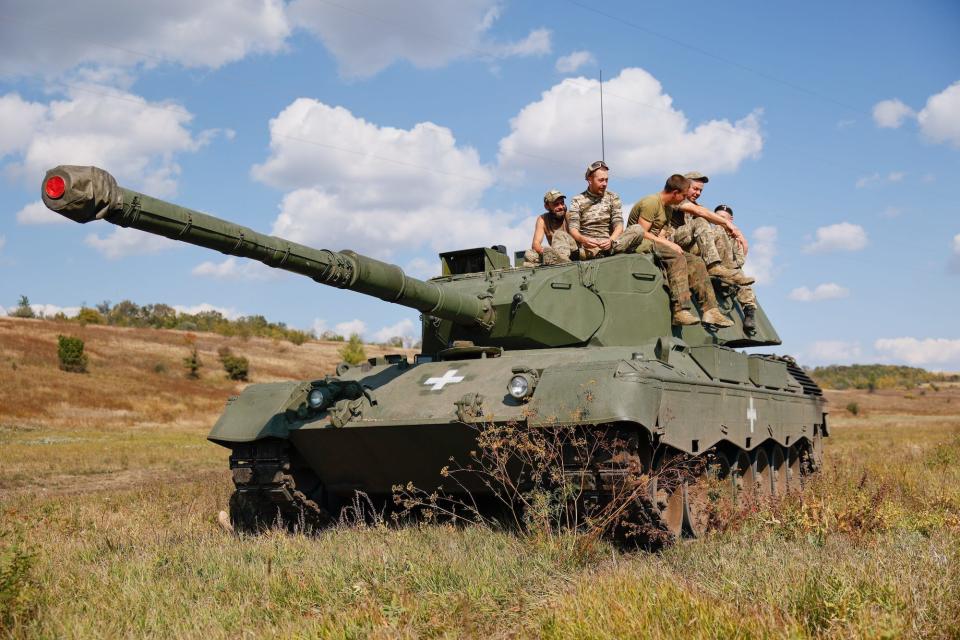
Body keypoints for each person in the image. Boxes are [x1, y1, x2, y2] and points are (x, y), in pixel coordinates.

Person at [627, 175, 733, 327]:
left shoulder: (668, 208)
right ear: (675, 192)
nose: (684, 199)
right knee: (676, 256)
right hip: (638, 244)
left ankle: (711, 311)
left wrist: (667, 242)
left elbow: (661, 234)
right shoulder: (651, 202)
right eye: (683, 196)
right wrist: (668, 245)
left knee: (696, 262)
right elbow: (642, 232)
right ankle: (680, 310)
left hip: (656, 244)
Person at [671, 172, 752, 286]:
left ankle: (731, 273)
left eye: (700, 190)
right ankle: (713, 266)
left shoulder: (697, 205)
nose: (698, 193)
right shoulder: (677, 198)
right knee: (701, 221)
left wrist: (739, 236)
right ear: (685, 186)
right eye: (695, 189)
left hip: (688, 244)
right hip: (671, 241)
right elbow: (700, 212)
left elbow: (710, 218)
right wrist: (727, 224)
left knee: (719, 229)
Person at [567, 160, 644, 259]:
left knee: (638, 229)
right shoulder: (577, 200)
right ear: (590, 180)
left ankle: (606, 252)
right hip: (587, 245)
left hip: (610, 245)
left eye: (606, 180)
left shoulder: (613, 197)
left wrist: (611, 240)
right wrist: (583, 240)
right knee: (560, 236)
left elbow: (618, 224)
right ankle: (585, 254)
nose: (604, 184)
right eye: (601, 180)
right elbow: (573, 228)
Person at [714, 204, 760, 333]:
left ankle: (749, 312)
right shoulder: (712, 231)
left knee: (741, 277)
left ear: (731, 219)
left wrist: (740, 240)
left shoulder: (735, 239)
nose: (720, 220)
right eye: (717, 217)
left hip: (729, 272)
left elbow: (740, 260)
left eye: (723, 217)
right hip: (711, 267)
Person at [523, 190, 578, 266]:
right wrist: (546, 252)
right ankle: (555, 261)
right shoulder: (542, 219)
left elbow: (578, 237)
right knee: (529, 254)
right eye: (556, 204)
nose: (561, 207)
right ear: (547, 206)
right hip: (555, 254)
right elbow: (535, 244)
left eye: (562, 203)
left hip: (574, 252)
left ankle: (562, 262)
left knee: (559, 234)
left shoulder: (570, 216)